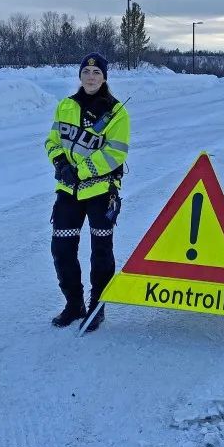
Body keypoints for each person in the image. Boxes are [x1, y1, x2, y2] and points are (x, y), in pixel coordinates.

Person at [44, 53, 130, 332]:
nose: (91, 76)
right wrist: (59, 161)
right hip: (68, 191)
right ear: (80, 75)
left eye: (96, 72)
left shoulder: (117, 112)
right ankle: (74, 304)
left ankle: (97, 306)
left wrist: (80, 171)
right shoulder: (65, 106)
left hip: (101, 191)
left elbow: (115, 153)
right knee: (62, 249)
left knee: (101, 251)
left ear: (104, 77)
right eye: (86, 71)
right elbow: (52, 140)